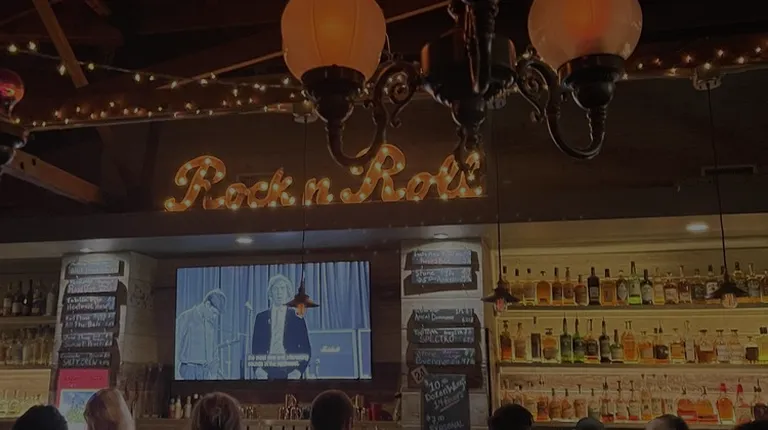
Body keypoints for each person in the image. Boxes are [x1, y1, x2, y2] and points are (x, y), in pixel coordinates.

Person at [251, 274, 311, 380]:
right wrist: (257, 369)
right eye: (276, 289)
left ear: (288, 292)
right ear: (271, 293)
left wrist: (298, 371)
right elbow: (255, 347)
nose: (279, 292)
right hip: (265, 372)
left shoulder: (297, 318)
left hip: (291, 372)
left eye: (282, 289)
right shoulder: (261, 318)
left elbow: (306, 349)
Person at [176, 289, 227, 380]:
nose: (215, 317)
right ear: (207, 304)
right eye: (214, 313)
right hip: (188, 371)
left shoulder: (210, 325)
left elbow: (214, 353)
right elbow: (175, 346)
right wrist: (176, 375)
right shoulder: (186, 318)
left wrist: (214, 375)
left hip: (205, 373)